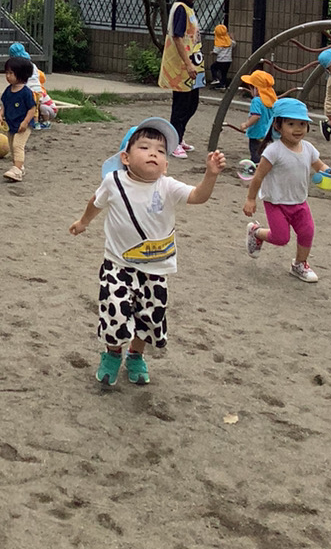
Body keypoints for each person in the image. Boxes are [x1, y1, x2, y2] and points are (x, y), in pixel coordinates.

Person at [69, 119, 225, 388]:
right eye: (144, 147)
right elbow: (95, 202)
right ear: (126, 157)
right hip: (117, 264)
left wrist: (210, 175)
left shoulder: (168, 186)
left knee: (149, 316)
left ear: (166, 164)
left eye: (161, 151)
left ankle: (136, 355)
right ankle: (112, 354)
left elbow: (198, 196)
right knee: (114, 312)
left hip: (155, 269)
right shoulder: (113, 181)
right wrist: (84, 222)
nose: (153, 153)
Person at [243, 97, 331, 283]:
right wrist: (250, 199)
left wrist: (329, 171)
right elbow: (259, 176)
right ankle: (256, 232)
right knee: (280, 238)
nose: (298, 129)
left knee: (307, 232)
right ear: (278, 126)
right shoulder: (273, 150)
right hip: (276, 202)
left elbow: (319, 165)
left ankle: (300, 264)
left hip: (299, 202)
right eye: (291, 123)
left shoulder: (308, 148)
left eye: (302, 124)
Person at [157, 0, 205, 158]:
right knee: (181, 105)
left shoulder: (188, 8)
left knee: (192, 103)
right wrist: (188, 64)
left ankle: (179, 136)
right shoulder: (180, 9)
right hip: (182, 66)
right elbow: (177, 37)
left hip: (193, 61)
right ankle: (173, 140)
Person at [0, 56, 38, 182]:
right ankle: (19, 167)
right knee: (11, 147)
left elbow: (32, 109)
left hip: (23, 125)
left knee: (17, 145)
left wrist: (26, 122)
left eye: (11, 73)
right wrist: (1, 114)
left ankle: (16, 169)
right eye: (7, 72)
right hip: (11, 123)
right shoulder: (8, 90)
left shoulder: (26, 92)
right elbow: (4, 104)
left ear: (21, 74)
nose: (8, 76)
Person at [238, 69, 277, 164]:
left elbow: (256, 116)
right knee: (266, 153)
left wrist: (246, 124)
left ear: (256, 89)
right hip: (269, 133)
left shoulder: (256, 101)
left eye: (251, 88)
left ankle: (256, 166)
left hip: (257, 132)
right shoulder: (272, 100)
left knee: (255, 152)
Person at [210, 24, 234, 89]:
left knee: (213, 67)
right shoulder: (229, 41)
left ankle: (216, 78)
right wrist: (232, 37)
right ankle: (223, 85)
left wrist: (212, 52)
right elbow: (234, 44)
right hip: (228, 61)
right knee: (224, 73)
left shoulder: (218, 42)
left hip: (220, 60)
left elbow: (216, 51)